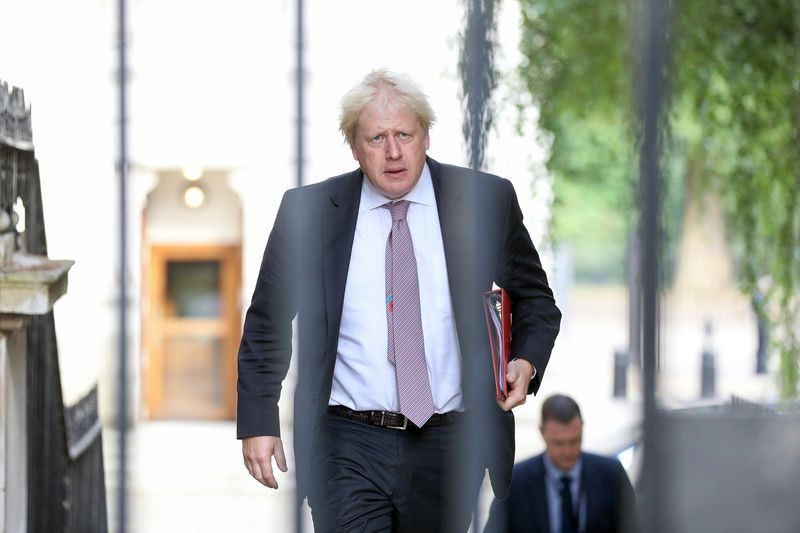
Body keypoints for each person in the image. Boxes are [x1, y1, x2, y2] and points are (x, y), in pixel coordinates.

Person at [236, 69, 561, 532]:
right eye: (376, 138)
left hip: (451, 442)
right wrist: (258, 419)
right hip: (347, 441)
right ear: (354, 148)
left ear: (426, 136)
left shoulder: (485, 200)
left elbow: (536, 300)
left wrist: (525, 361)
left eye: (404, 135)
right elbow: (267, 321)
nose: (393, 152)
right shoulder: (310, 212)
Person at [484, 394, 638, 533]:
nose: (567, 451)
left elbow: (635, 527)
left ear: (582, 429)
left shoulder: (612, 474)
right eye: (559, 443)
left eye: (574, 441)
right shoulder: (517, 480)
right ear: (542, 433)